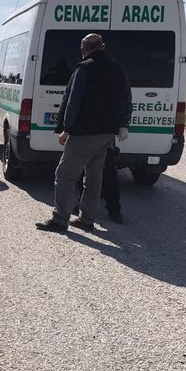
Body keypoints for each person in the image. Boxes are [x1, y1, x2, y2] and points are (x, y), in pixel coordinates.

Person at [36, 33, 131, 233]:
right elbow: (126, 99)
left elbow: (73, 101)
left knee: (65, 175)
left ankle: (60, 220)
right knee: (94, 177)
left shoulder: (84, 68)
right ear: (102, 46)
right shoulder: (118, 69)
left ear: (83, 49)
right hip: (107, 133)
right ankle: (86, 220)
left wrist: (66, 129)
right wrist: (123, 124)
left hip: (84, 132)